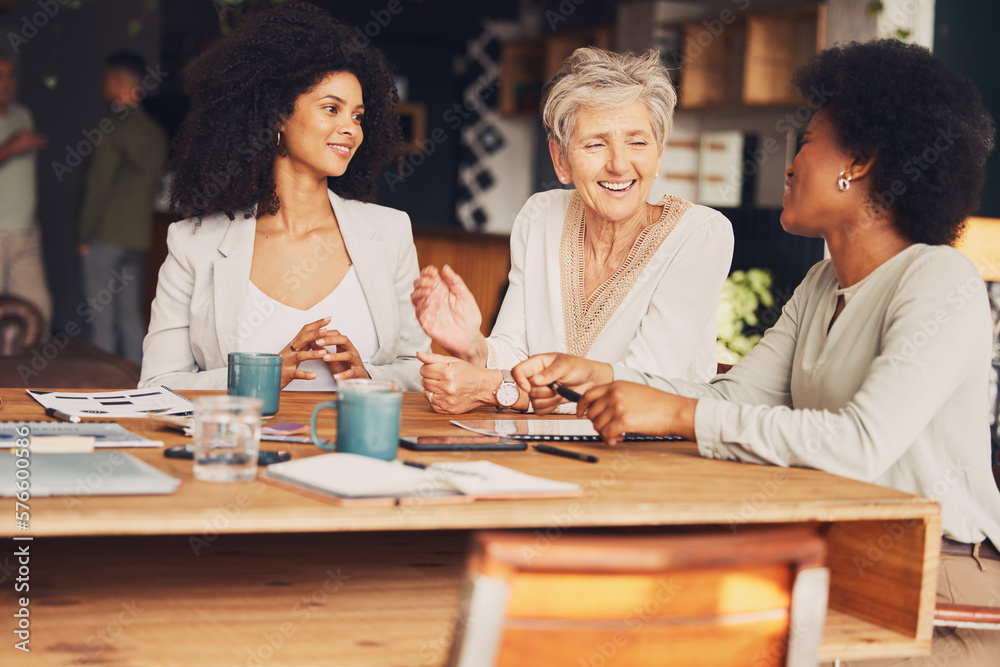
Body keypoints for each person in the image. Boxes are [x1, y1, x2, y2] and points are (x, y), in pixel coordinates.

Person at [515, 39, 1000, 666]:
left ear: (860, 161)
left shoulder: (940, 280)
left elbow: (859, 443)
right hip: (834, 560)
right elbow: (731, 400)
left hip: (942, 586)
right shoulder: (822, 284)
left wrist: (677, 415)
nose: (790, 165)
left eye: (807, 142)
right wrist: (604, 376)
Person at [410, 47, 733, 414]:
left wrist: (498, 390)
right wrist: (473, 346)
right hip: (543, 446)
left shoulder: (701, 235)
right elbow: (516, 352)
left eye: (637, 142)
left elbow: (641, 386)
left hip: (649, 459)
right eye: (596, 144)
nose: (618, 164)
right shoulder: (540, 216)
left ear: (658, 155)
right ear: (560, 159)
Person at [138, 1, 428, 391]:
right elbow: (157, 385)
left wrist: (369, 376)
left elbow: (418, 370)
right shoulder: (195, 245)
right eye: (331, 109)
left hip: (356, 450)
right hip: (243, 449)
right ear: (277, 115)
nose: (351, 130)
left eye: (358, 116)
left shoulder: (390, 233)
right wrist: (260, 376)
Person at [77, 51, 168, 365]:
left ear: (118, 82)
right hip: (138, 236)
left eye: (106, 79)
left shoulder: (113, 128)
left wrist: (83, 233)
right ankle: (138, 383)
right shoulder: (155, 132)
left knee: (100, 317)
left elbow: (97, 186)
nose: (103, 86)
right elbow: (157, 186)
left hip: (106, 234)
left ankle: (103, 388)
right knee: (130, 314)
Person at [0, 48, 51, 328]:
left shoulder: (23, 115)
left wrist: (35, 214)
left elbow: (28, 175)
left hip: (27, 233)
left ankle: (28, 372)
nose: (6, 82)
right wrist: (11, 146)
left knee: (38, 312)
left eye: (10, 75)